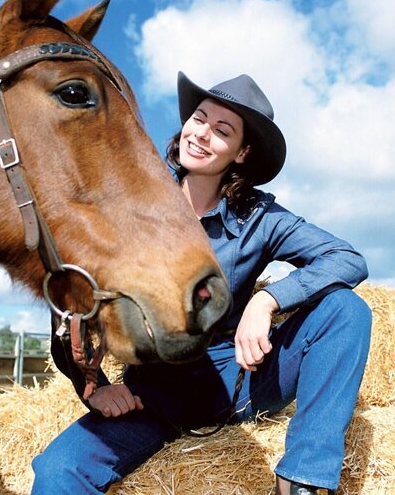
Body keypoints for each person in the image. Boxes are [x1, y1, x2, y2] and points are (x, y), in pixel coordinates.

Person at [33, 72, 372, 495]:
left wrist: (268, 299)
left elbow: (346, 258)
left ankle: (301, 481)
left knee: (345, 309)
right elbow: (70, 295)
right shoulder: (132, 204)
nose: (202, 134)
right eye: (200, 118)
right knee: (59, 469)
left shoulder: (259, 217)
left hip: (242, 384)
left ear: (242, 151)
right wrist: (93, 385)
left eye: (222, 130)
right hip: (153, 397)